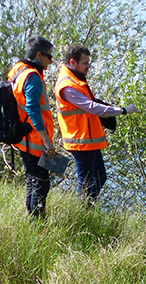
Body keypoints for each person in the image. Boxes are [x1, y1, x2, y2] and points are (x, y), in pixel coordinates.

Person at [54, 43, 137, 204]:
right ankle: (81, 216)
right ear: (73, 62)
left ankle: (87, 210)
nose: (88, 67)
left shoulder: (77, 80)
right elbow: (92, 107)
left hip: (89, 140)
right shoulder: (67, 85)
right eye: (85, 64)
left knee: (100, 178)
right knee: (85, 183)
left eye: (88, 63)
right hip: (80, 141)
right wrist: (122, 110)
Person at [9, 35, 57, 218]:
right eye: (49, 56)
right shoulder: (33, 77)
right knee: (41, 184)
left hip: (23, 138)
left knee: (32, 181)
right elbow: (33, 109)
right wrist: (47, 142)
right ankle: (37, 223)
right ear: (39, 55)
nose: (51, 61)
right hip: (35, 140)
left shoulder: (17, 71)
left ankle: (33, 221)